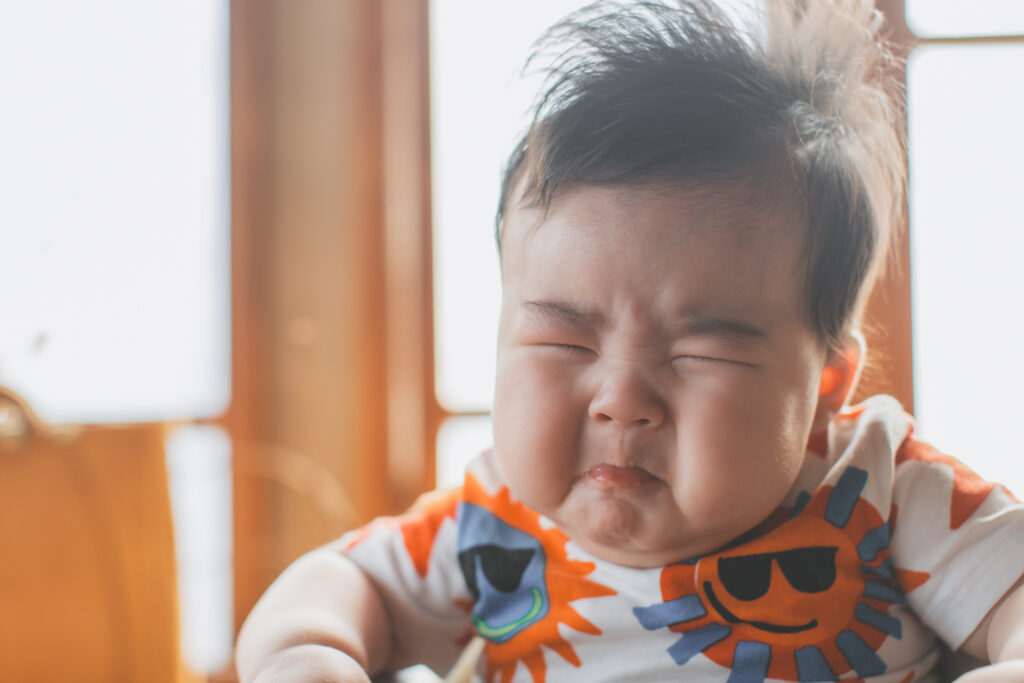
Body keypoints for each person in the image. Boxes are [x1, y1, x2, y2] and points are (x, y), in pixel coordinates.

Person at [235, 1, 1024, 681]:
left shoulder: (882, 490)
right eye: (565, 342)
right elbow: (343, 579)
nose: (620, 399)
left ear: (824, 384)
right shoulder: (487, 524)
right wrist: (310, 650)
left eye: (698, 353)